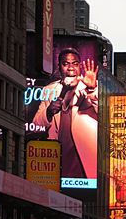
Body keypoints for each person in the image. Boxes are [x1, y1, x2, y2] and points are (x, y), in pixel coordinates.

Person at [32, 48, 98, 179]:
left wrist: (91, 88)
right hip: (57, 160)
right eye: (66, 64)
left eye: (74, 63)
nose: (71, 68)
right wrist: (49, 112)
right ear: (59, 67)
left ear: (80, 66)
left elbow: (104, 115)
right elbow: (36, 124)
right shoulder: (49, 90)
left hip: (83, 160)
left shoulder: (91, 88)